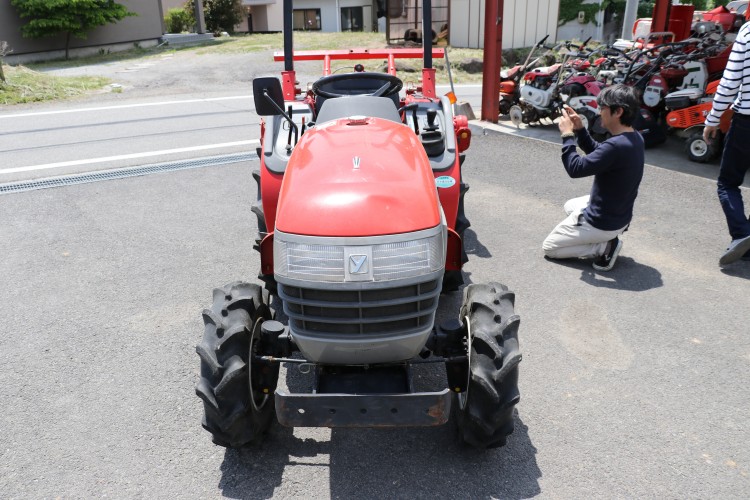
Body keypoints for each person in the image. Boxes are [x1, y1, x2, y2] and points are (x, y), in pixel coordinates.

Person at [542, 84, 644, 271]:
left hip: (603, 222)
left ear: (618, 111)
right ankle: (600, 236)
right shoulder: (634, 138)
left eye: (602, 108)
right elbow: (599, 154)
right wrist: (580, 129)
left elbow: (575, 168)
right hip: (620, 215)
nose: (599, 112)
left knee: (550, 248)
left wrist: (567, 135)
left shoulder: (615, 146)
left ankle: (604, 246)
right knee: (569, 206)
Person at [703, 20, 750, 266]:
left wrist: (713, 118)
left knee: (728, 183)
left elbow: (730, 81)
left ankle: (742, 234)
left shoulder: (747, 31)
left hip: (747, 120)